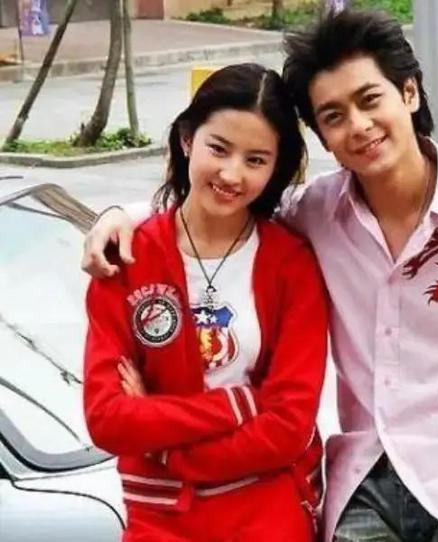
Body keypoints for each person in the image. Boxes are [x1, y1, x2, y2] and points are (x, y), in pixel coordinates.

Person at [82, 10, 438, 542]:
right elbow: (219, 208)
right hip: (363, 492)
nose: (357, 125)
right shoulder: (316, 213)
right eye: (333, 115)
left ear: (409, 93)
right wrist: (122, 216)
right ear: (323, 138)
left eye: (369, 100)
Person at [83, 63, 328, 542]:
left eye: (256, 160)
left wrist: (168, 448)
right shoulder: (126, 259)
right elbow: (107, 418)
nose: (232, 174)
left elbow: (288, 427)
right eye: (219, 148)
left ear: (275, 168)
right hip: (159, 518)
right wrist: (239, 403)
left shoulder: (291, 263)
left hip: (267, 512)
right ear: (187, 140)